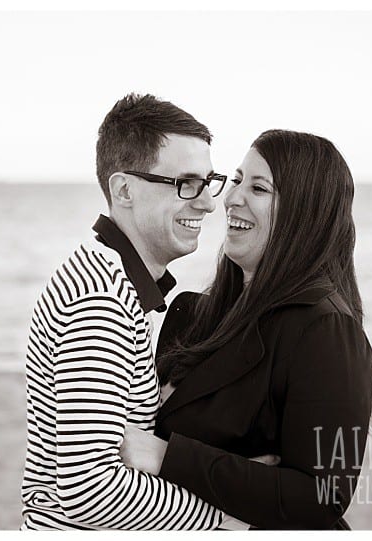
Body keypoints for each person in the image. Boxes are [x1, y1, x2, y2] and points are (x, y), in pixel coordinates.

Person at [120, 129, 372, 529]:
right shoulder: (190, 315)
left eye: (259, 188)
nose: (231, 198)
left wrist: (169, 458)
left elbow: (322, 500)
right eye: (237, 180)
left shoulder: (326, 331)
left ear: (303, 212)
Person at [20, 93, 233, 530]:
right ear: (124, 190)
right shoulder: (100, 299)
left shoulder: (109, 278)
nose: (209, 203)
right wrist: (226, 518)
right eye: (185, 183)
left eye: (208, 181)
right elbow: (90, 489)